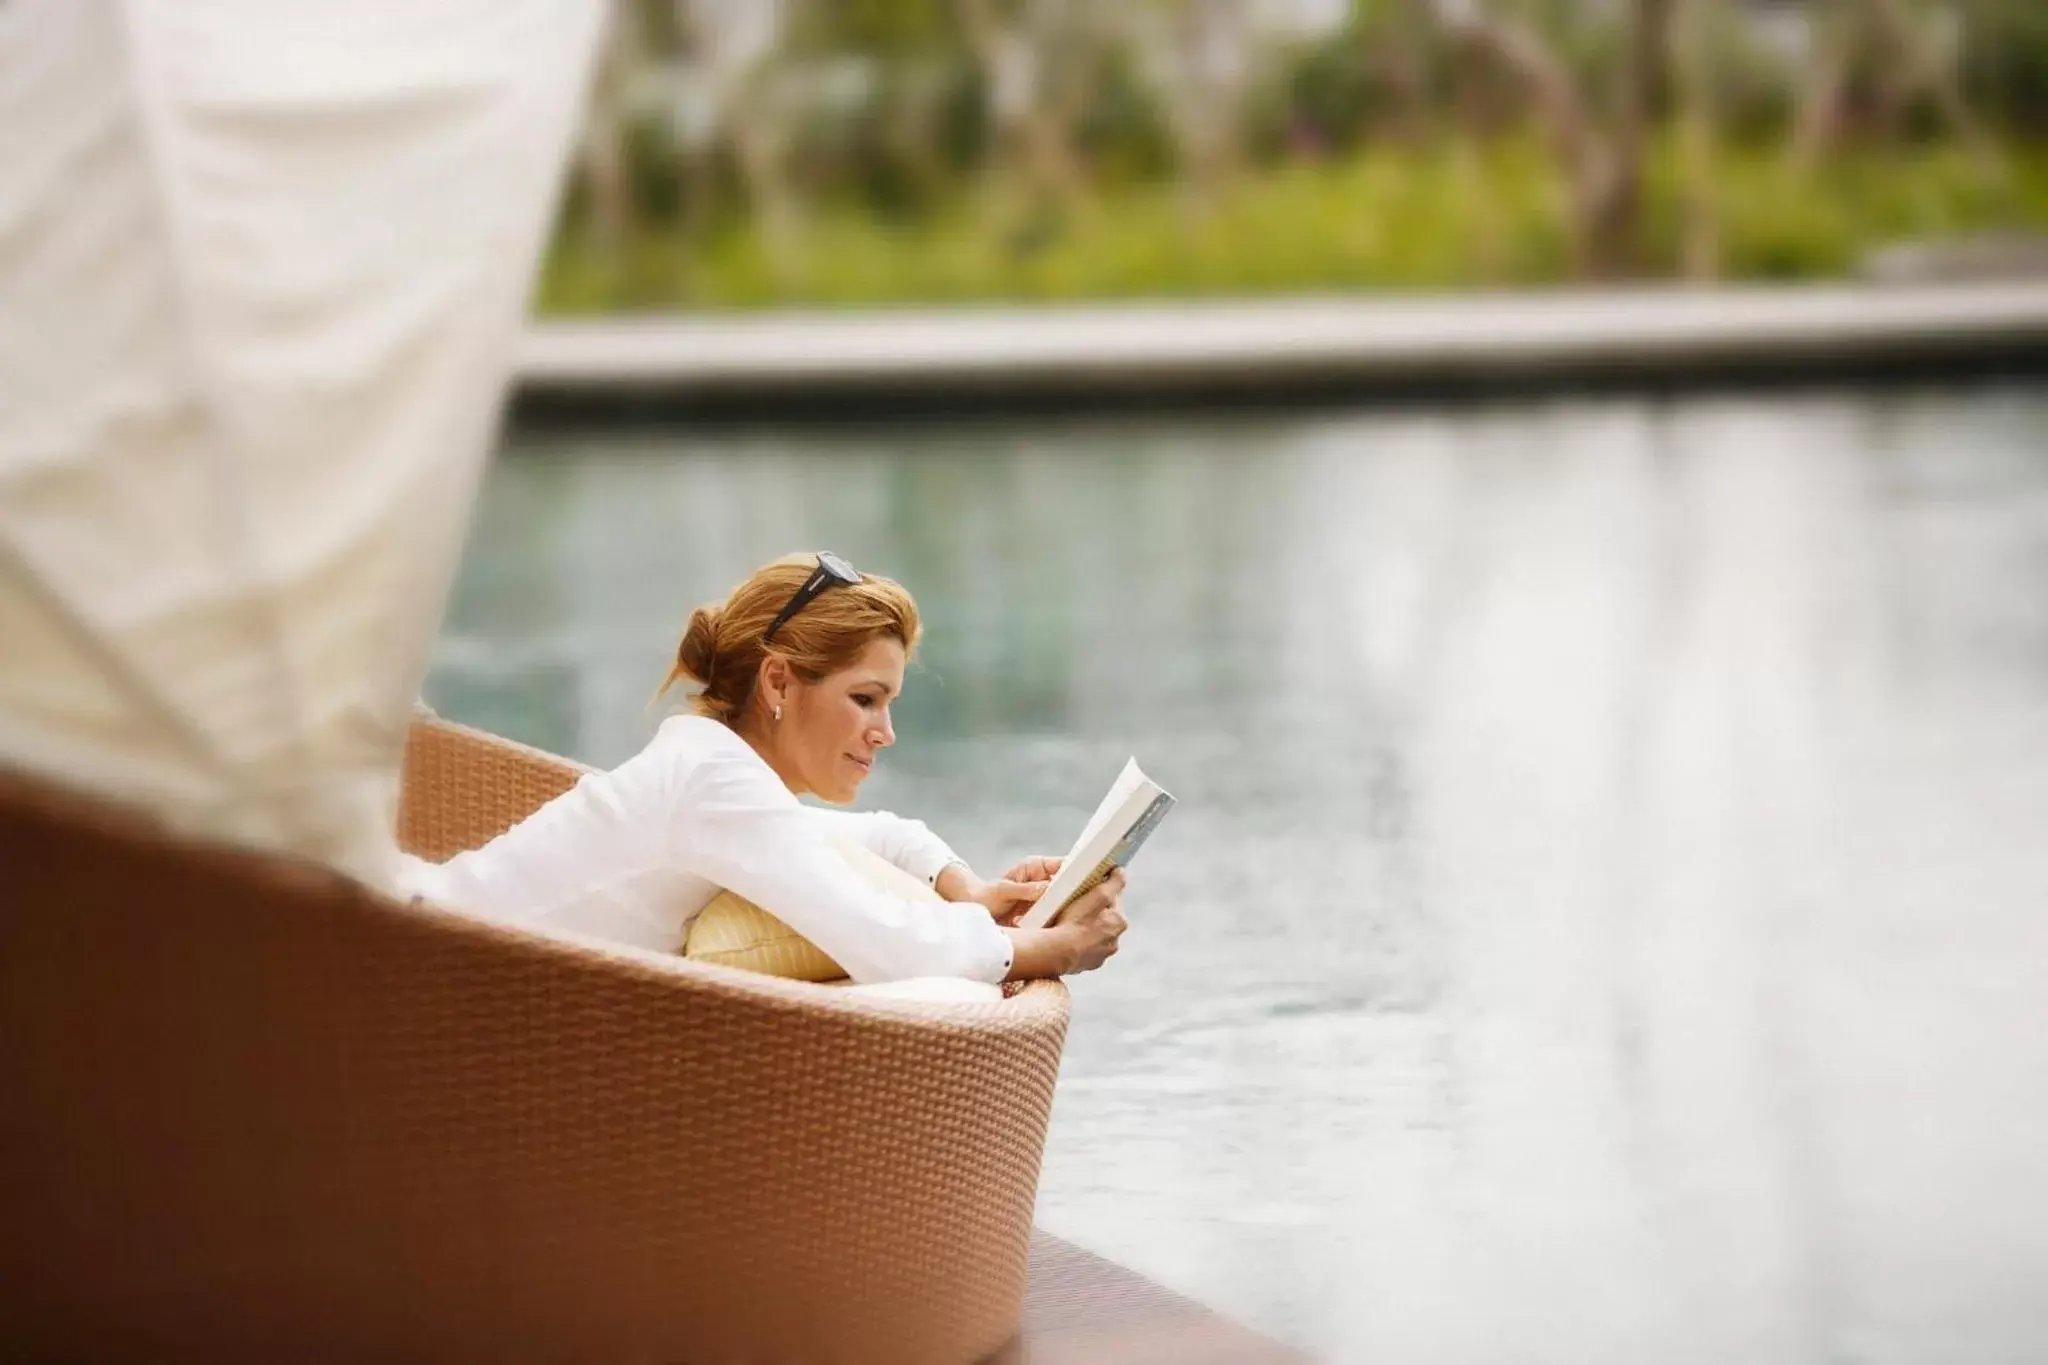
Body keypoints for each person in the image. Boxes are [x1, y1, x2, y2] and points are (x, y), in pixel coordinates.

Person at [399, 552, 1128, 986]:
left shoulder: (713, 763)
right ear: (778, 684)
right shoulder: (715, 781)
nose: (886, 731)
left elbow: (869, 835)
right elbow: (884, 944)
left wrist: (964, 885)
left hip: (427, 945)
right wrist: (1050, 949)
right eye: (865, 699)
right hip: (412, 965)